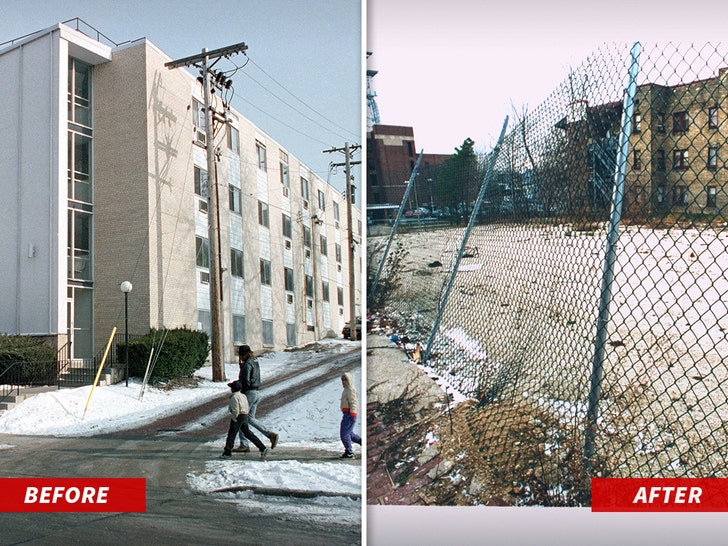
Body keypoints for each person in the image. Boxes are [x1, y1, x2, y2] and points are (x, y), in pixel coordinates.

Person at [234, 344, 279, 452]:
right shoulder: (254, 361)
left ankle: (244, 444)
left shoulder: (247, 364)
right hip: (256, 392)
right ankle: (269, 435)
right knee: (250, 418)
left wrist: (240, 388)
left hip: (248, 393)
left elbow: (246, 380)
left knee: (242, 417)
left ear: (242, 354)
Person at [222, 380, 269, 459]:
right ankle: (262, 447)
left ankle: (227, 452)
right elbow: (247, 406)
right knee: (248, 433)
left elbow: (235, 409)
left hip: (238, 416)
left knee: (231, 434)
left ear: (233, 389)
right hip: (245, 415)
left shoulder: (234, 397)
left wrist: (234, 418)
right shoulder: (243, 396)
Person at [339, 372, 361, 458]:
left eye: (345, 380)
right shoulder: (346, 389)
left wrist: (353, 414)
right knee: (350, 434)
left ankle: (349, 452)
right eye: (343, 380)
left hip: (349, 415)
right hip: (346, 414)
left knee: (344, 434)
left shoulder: (350, 390)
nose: (343, 382)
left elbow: (354, 403)